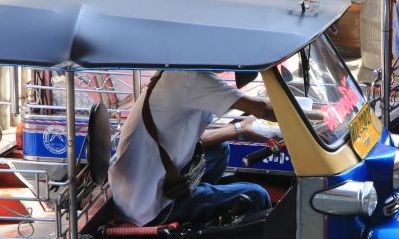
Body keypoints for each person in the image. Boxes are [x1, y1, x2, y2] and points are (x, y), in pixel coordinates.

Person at [109, 71, 279, 226]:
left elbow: (191, 140)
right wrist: (301, 117)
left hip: (134, 193)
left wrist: (240, 128)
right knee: (258, 196)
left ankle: (201, 208)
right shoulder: (191, 79)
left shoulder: (173, 73)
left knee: (220, 151)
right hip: (149, 209)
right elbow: (263, 109)